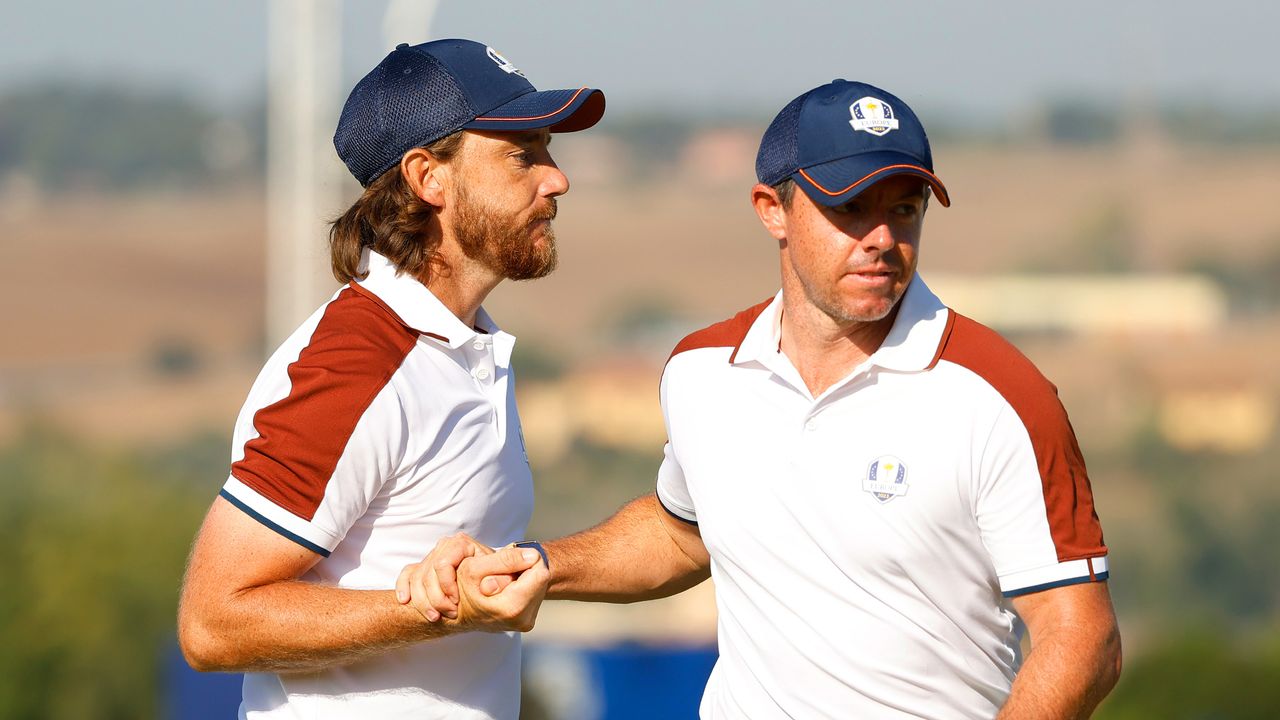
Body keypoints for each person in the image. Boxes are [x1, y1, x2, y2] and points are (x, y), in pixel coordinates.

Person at [405, 80, 1122, 719]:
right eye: (849, 208)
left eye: (903, 211)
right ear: (770, 210)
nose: (881, 239)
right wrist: (538, 565)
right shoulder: (702, 370)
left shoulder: (999, 394)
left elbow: (1081, 636)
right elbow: (681, 534)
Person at [176, 38, 605, 719]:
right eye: (523, 154)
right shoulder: (356, 365)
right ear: (428, 177)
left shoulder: (464, 346)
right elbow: (214, 622)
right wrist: (436, 610)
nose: (556, 179)